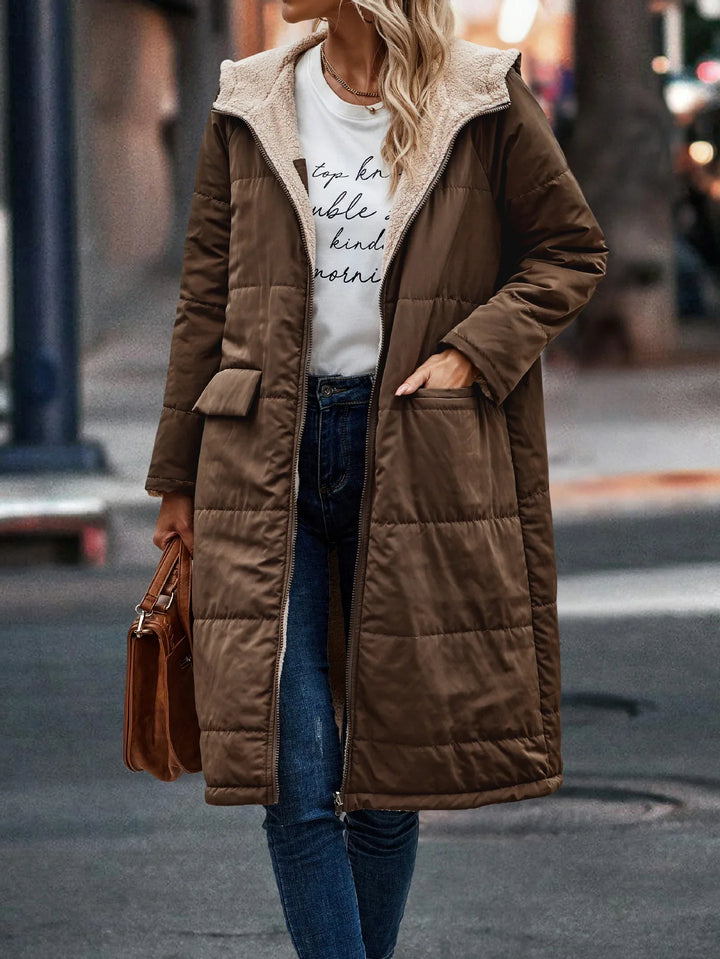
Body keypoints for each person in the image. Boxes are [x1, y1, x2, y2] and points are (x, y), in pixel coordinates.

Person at [145, 2, 609, 957]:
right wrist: (177, 477)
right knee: (295, 778)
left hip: (416, 448)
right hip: (262, 453)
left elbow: (571, 249)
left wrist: (471, 354)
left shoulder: (479, 96)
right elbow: (204, 299)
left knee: (389, 780)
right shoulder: (251, 101)